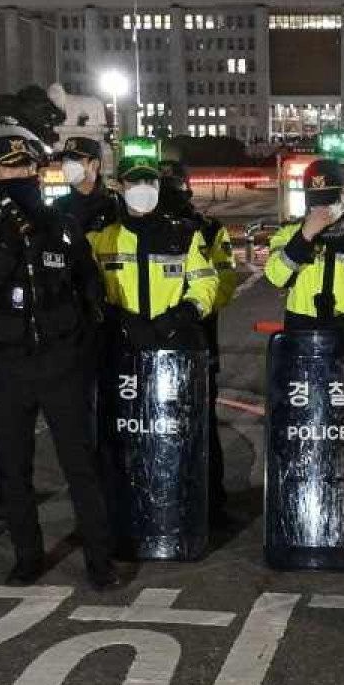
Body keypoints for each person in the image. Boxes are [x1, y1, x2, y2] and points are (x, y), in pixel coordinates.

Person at [0, 137, 120, 589]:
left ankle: (100, 562)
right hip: (5, 369)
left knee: (80, 466)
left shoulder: (62, 226)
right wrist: (9, 243)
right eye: (7, 170)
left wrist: (80, 351)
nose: (18, 176)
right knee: (14, 468)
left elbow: (90, 292)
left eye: (25, 168)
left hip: (61, 366)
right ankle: (28, 556)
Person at [158, 158, 236, 520]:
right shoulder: (132, 228)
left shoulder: (207, 229)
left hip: (198, 341)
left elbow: (223, 285)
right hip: (148, 343)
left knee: (200, 422)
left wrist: (190, 309)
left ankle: (211, 500)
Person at [91, 158, 218, 348]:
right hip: (118, 346)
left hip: (173, 345)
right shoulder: (99, 239)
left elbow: (205, 284)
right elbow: (91, 292)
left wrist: (178, 317)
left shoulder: (186, 236)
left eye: (150, 181)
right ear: (119, 186)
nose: (143, 188)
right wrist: (122, 321)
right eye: (135, 182)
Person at [263, 158, 344, 332]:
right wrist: (304, 236)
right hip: (302, 341)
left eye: (329, 201)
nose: (322, 210)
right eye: (316, 202)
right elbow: (276, 277)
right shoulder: (289, 233)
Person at [52, 136, 118, 234]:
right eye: (65, 160)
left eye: (75, 159)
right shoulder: (59, 206)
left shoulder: (113, 204)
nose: (68, 165)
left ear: (95, 164)